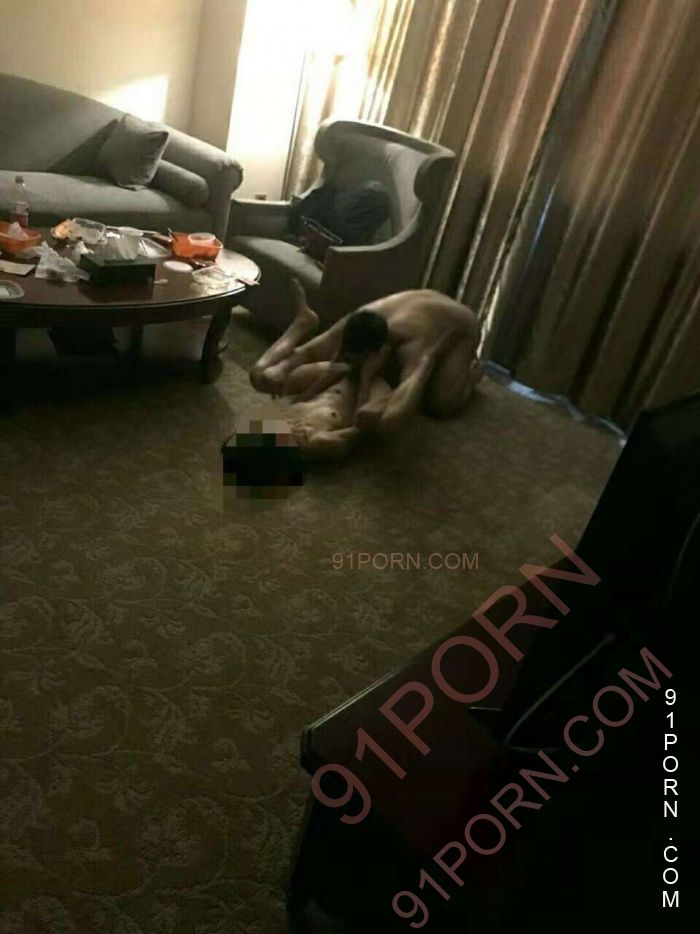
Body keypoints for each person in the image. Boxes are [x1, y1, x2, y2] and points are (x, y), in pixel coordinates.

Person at [250, 279, 483, 442]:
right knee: (261, 376)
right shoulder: (357, 324)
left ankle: (474, 371)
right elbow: (310, 354)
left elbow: (393, 418)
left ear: (378, 352)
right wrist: (284, 376)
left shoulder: (413, 348)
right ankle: (303, 321)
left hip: (457, 325)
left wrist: (427, 360)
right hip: (410, 304)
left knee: (441, 404)